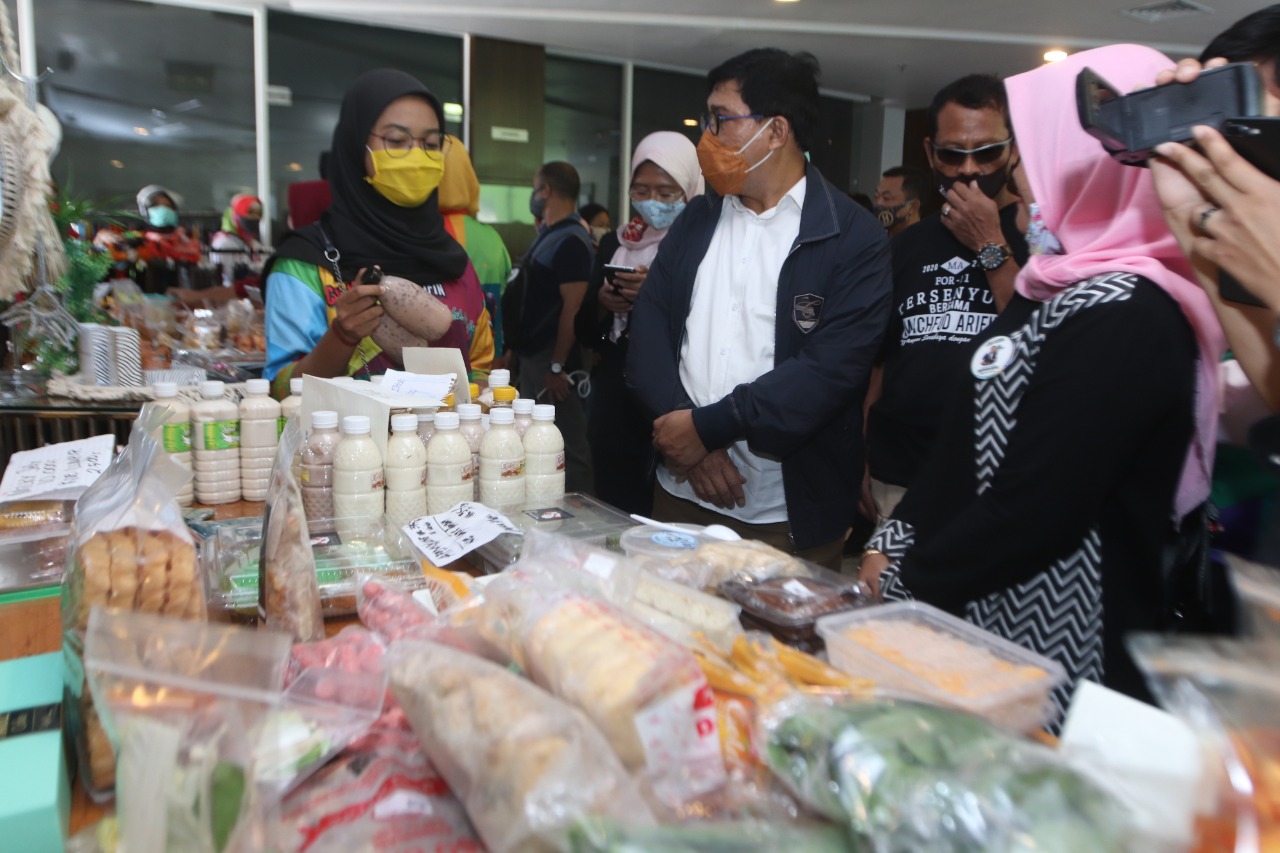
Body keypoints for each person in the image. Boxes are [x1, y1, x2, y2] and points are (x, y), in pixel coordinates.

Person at [859, 45, 1226, 724]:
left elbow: (1038, 506)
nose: (1018, 181)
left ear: (1092, 158)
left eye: (1024, 155)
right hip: (979, 614)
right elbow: (966, 441)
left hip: (1060, 650)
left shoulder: (1131, 311)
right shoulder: (1053, 282)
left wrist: (910, 584)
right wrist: (896, 536)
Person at [626, 48, 892, 571]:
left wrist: (708, 428)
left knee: (771, 654)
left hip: (786, 515)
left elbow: (829, 372)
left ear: (775, 131)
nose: (707, 134)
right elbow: (650, 329)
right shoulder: (698, 219)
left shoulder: (852, 236)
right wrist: (694, 443)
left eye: (721, 119)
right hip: (680, 495)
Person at [864, 76, 1030, 520]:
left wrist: (990, 243)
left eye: (987, 152)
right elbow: (879, 362)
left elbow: (1041, 339)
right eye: (953, 154)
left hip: (998, 480)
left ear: (1013, 148)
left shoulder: (1043, 235)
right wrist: (861, 453)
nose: (969, 169)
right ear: (930, 152)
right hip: (899, 473)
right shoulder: (905, 245)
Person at [263, 69, 476, 398]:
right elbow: (278, 390)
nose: (416, 155)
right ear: (355, 146)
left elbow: (483, 366)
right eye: (396, 141)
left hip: (450, 446)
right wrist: (342, 336)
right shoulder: (306, 261)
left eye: (431, 144)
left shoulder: (454, 260)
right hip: (345, 446)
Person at [575, 131, 704, 515]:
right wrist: (603, 304)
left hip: (670, 395)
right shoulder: (619, 242)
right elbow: (587, 331)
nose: (653, 203)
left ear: (689, 187)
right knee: (612, 498)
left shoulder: (701, 245)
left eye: (666, 193)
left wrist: (656, 293)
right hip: (615, 395)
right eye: (641, 190)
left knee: (657, 505)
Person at [513, 161, 595, 492]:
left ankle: (583, 516)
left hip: (555, 362)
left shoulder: (573, 240)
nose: (534, 195)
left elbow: (572, 310)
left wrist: (558, 365)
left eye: (536, 187)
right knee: (538, 445)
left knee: (568, 446)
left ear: (545, 190)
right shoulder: (550, 234)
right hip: (534, 357)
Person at [438, 134, 507, 380]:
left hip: (431, 364)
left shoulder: (419, 237)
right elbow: (498, 306)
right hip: (485, 362)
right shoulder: (492, 239)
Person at [133, 185, 202, 293]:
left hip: (180, 296)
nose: (163, 209)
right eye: (156, 205)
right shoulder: (138, 239)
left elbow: (194, 260)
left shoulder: (185, 239)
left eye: (168, 206)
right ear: (145, 211)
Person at [209, 193, 265, 290]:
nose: (255, 217)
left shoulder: (253, 243)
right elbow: (225, 278)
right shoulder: (223, 244)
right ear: (235, 215)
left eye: (259, 213)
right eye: (250, 212)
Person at [872, 166, 928, 236]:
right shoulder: (874, 240)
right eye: (876, 196)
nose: (878, 203)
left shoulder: (928, 243)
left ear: (913, 206)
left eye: (886, 198)